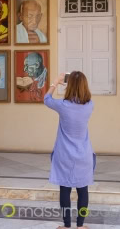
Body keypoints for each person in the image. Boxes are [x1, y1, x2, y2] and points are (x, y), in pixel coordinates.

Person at [44, 71, 96, 229]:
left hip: (64, 155)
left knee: (64, 190)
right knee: (83, 190)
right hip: (84, 155)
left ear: (70, 85)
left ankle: (66, 226)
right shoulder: (90, 105)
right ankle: (80, 226)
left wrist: (56, 82)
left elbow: (46, 99)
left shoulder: (63, 105)